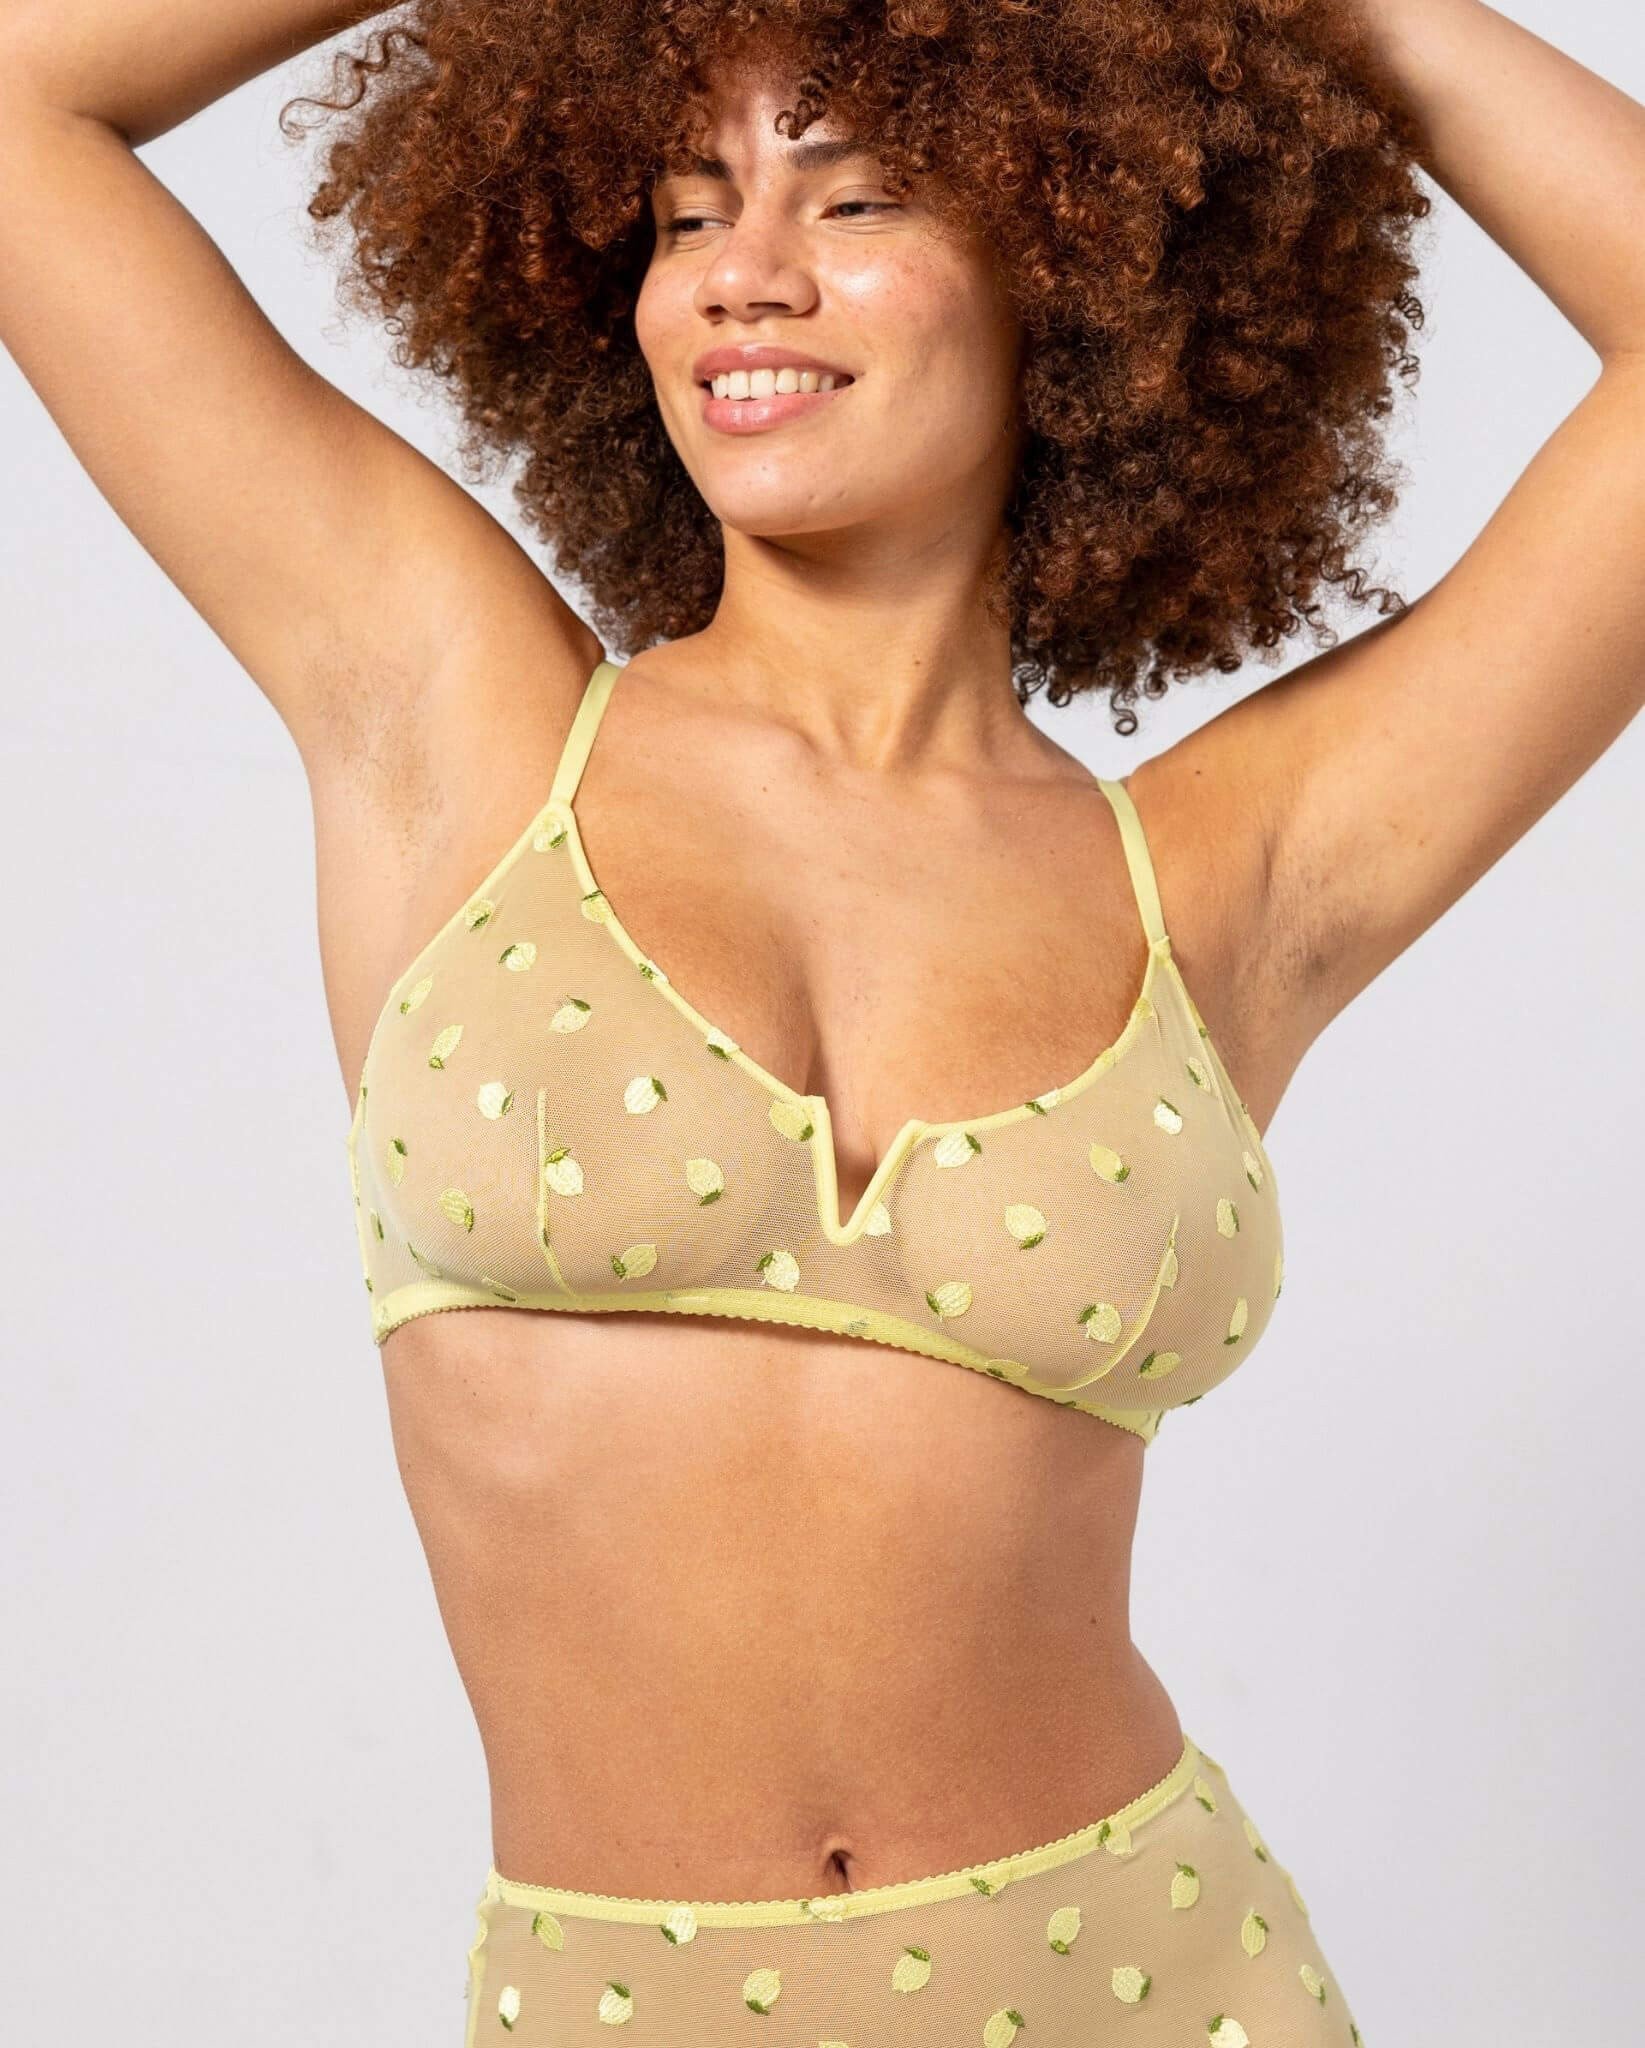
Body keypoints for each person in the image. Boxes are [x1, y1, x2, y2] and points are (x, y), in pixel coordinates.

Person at [3, 0, 1641, 2039]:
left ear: (1073, 256)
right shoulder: (455, 712)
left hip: (1165, 1983)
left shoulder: (1217, 877)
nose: (743, 273)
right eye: (688, 213)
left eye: (854, 200)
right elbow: (24, 96)